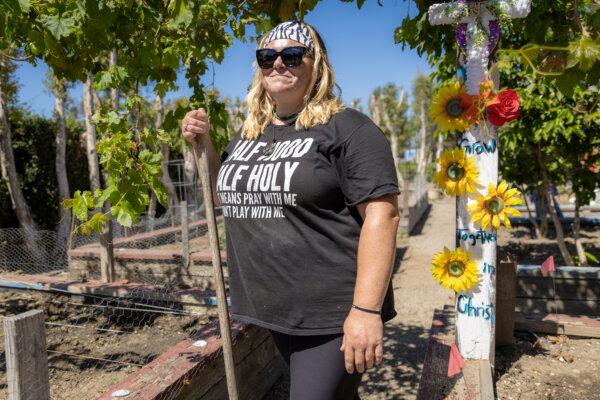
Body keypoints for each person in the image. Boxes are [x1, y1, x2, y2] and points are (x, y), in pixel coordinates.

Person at [181, 20, 399, 400]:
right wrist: (205, 145)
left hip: (331, 313)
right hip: (274, 307)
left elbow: (383, 217)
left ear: (317, 65)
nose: (278, 64)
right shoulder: (251, 134)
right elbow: (223, 195)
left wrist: (366, 311)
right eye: (267, 57)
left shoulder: (349, 129)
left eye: (292, 55)